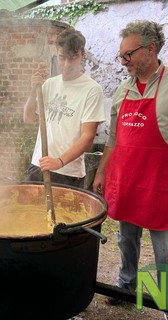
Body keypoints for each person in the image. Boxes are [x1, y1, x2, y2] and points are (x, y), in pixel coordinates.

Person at [93, 20, 168, 317]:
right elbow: (113, 137)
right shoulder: (123, 89)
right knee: (126, 240)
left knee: (164, 251)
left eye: (129, 54)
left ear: (150, 49)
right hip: (127, 179)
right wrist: (101, 172)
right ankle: (126, 285)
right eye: (120, 56)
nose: (123, 61)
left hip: (161, 182)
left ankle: (163, 301)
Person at [23, 28, 106, 188]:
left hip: (68, 173)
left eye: (72, 58)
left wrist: (59, 162)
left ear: (82, 55)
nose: (66, 65)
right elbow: (28, 118)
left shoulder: (92, 90)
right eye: (62, 58)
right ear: (57, 54)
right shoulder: (50, 84)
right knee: (30, 212)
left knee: (65, 214)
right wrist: (33, 90)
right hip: (38, 165)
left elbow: (87, 137)